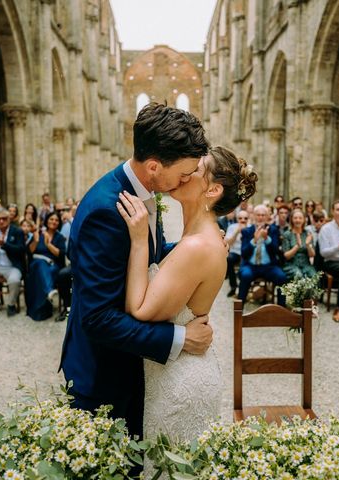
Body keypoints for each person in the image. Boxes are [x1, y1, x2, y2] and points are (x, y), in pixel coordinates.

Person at [59, 103, 213, 449]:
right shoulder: (106, 210)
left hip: (130, 366)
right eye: (185, 173)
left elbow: (147, 258)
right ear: (154, 167)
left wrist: (195, 248)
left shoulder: (145, 192)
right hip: (104, 378)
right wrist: (180, 339)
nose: (187, 180)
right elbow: (98, 318)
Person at [116, 146, 257, 467]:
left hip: (180, 382)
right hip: (176, 369)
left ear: (213, 189)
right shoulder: (196, 238)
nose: (185, 170)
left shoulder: (198, 244)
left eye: (196, 168)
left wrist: (139, 240)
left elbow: (140, 310)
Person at [237, 204, 288, 306]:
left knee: (282, 277)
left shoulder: (273, 230)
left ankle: (281, 309)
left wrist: (267, 239)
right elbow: (244, 253)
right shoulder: (247, 231)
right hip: (251, 266)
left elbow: (276, 251)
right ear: (254, 216)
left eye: (263, 215)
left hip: (269, 266)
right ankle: (239, 308)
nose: (260, 217)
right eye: (258, 215)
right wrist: (254, 241)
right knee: (245, 275)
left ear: (267, 216)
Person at [26, 212, 66, 321]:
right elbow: (30, 251)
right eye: (51, 219)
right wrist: (36, 240)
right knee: (40, 264)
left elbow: (61, 254)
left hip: (52, 264)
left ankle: (44, 308)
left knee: (49, 271)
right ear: (47, 220)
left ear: (59, 223)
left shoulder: (60, 237)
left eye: (56, 220)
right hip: (36, 263)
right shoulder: (38, 233)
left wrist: (48, 244)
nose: (53, 221)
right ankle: (49, 290)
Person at [282, 209, 316, 280]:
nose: (298, 220)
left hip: (306, 264)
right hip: (291, 264)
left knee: (313, 276)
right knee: (298, 276)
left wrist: (307, 245)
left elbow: (312, 254)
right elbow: (286, 256)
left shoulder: (307, 233)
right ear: (291, 220)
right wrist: (297, 246)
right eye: (295, 218)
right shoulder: (287, 234)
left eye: (300, 218)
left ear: (304, 220)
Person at [224, 210, 250, 297]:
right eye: (240, 218)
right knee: (228, 259)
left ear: (248, 219)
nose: (243, 220)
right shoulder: (232, 227)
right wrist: (237, 232)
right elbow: (228, 243)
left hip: (247, 253)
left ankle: (244, 288)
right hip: (235, 252)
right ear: (237, 219)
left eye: (245, 218)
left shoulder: (251, 227)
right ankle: (233, 286)